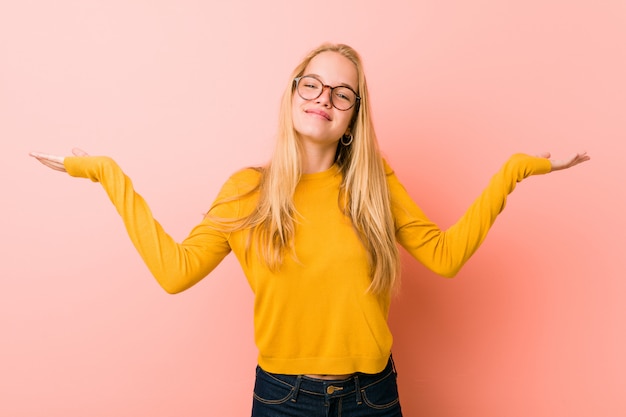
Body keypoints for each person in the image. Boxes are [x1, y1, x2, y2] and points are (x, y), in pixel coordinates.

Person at [30, 43, 589, 417]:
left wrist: (514, 171)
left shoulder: (373, 186)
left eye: (341, 93)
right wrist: (107, 174)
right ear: (294, 94)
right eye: (312, 85)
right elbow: (174, 272)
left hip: (373, 396)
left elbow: (443, 256)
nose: (324, 98)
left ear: (351, 118)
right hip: (283, 400)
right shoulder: (246, 190)